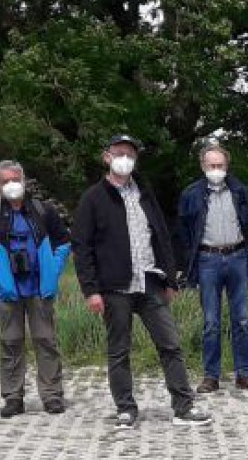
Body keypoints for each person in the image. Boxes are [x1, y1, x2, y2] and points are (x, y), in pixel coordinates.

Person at [72, 135, 211, 429]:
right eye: (120, 153)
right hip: (114, 287)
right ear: (107, 157)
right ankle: (125, 407)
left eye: (131, 155)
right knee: (119, 350)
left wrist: (171, 278)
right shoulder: (93, 198)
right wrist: (90, 290)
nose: (126, 159)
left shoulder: (144, 194)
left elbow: (162, 235)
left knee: (171, 344)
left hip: (150, 281)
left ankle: (183, 407)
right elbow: (82, 247)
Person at [0, 161, 70, 418]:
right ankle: (13, 397)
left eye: (16, 179)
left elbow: (63, 243)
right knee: (11, 343)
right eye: (5, 181)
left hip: (40, 288)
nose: (12, 184)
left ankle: (52, 395)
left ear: (24, 180)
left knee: (46, 341)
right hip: (9, 291)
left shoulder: (43, 210)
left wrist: (52, 273)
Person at [177, 140, 248, 394]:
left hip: (237, 256)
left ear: (227, 165)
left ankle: (244, 373)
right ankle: (211, 375)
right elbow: (183, 231)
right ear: (203, 166)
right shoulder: (191, 194)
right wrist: (185, 263)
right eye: (212, 165)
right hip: (207, 259)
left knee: (242, 319)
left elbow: (247, 225)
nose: (216, 169)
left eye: (220, 165)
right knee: (211, 321)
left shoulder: (240, 190)